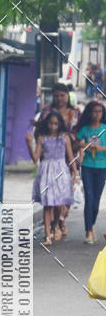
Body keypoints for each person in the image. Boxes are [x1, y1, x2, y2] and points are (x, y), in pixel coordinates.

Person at [26, 82, 80, 234]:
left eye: (62, 95)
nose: (59, 98)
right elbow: (39, 132)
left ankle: (61, 219)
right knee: (52, 194)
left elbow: (79, 131)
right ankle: (55, 225)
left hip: (69, 157)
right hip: (49, 158)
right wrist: (38, 146)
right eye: (56, 96)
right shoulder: (46, 112)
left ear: (67, 96)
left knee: (64, 192)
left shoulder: (74, 112)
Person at [30, 112, 78, 245]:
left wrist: (75, 173)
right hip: (46, 171)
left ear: (60, 124)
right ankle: (47, 236)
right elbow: (35, 159)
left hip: (61, 171)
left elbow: (70, 157)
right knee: (47, 204)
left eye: (56, 123)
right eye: (50, 123)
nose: (53, 126)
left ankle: (55, 225)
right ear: (47, 124)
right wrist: (29, 144)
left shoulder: (64, 138)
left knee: (58, 204)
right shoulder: (42, 138)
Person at [75, 100, 106, 244]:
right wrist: (82, 144)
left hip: (102, 167)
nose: (97, 114)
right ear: (89, 113)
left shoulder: (104, 129)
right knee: (89, 197)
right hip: (87, 166)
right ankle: (88, 231)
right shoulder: (85, 129)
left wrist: (100, 148)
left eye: (100, 111)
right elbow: (77, 142)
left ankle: (91, 225)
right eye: (95, 111)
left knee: (96, 200)